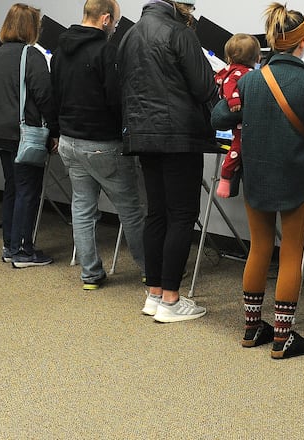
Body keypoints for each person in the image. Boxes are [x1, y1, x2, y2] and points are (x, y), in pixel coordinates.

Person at [212, 3, 304, 359]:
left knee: (259, 248)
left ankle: (252, 328)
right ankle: (284, 337)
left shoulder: (251, 80)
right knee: (292, 253)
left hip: (256, 176)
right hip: (297, 178)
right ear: (303, 42)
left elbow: (219, 117)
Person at [118, 0, 214, 322]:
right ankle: (172, 300)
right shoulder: (179, 33)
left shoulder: (129, 34)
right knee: (182, 214)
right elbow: (204, 87)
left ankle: (154, 294)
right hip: (179, 136)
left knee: (156, 213)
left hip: (143, 135)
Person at [51, 0, 146, 290]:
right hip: (103, 143)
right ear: (105, 19)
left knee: (82, 209)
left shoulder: (59, 50)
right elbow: (116, 100)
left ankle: (90, 274)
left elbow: (54, 95)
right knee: (130, 209)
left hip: (68, 141)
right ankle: (151, 271)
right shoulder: (106, 51)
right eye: (115, 23)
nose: (115, 29)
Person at [0, 3, 59, 268]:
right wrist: (55, 130)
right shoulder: (32, 55)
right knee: (28, 191)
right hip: (24, 135)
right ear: (31, 27)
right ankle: (23, 252)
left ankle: (9, 246)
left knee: (12, 189)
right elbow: (44, 96)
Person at [214, 33, 261, 199]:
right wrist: (234, 102)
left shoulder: (232, 70)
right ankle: (225, 177)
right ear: (258, 57)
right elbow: (229, 87)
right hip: (240, 120)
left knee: (238, 147)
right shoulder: (241, 73)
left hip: (243, 121)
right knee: (237, 148)